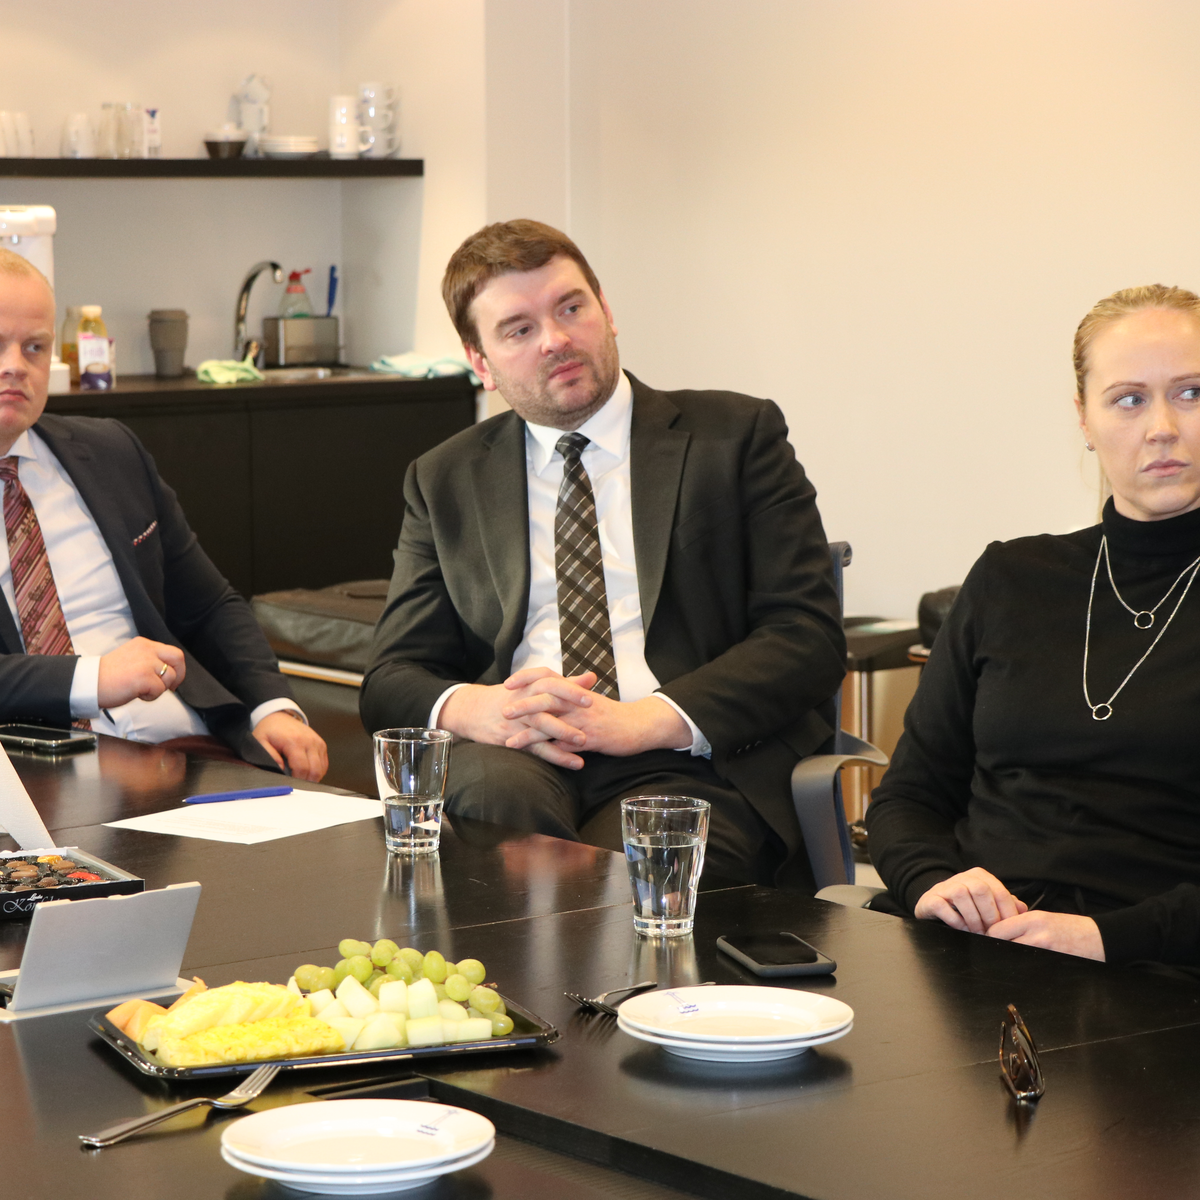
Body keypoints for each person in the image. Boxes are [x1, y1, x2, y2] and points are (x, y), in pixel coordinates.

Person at [360, 219, 846, 885]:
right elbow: (391, 678)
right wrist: (485, 709)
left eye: (570, 308)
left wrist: (643, 721)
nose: (555, 339)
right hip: (519, 753)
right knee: (495, 820)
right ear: (482, 364)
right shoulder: (444, 478)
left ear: (606, 311)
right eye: (518, 329)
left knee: (623, 870)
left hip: (687, 756)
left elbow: (806, 636)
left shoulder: (735, 437)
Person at [867, 283, 1200, 970]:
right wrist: (932, 883)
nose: (1162, 427)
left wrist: (1106, 938)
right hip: (974, 952)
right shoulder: (1010, 577)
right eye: (1129, 399)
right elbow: (910, 795)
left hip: (1157, 969)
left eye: (1191, 392)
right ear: (1084, 418)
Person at [0, 248, 327, 780]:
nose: (15, 365)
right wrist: (93, 679)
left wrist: (271, 706)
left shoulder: (110, 452)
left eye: (34, 346)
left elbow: (209, 605)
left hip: (187, 748)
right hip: (36, 769)